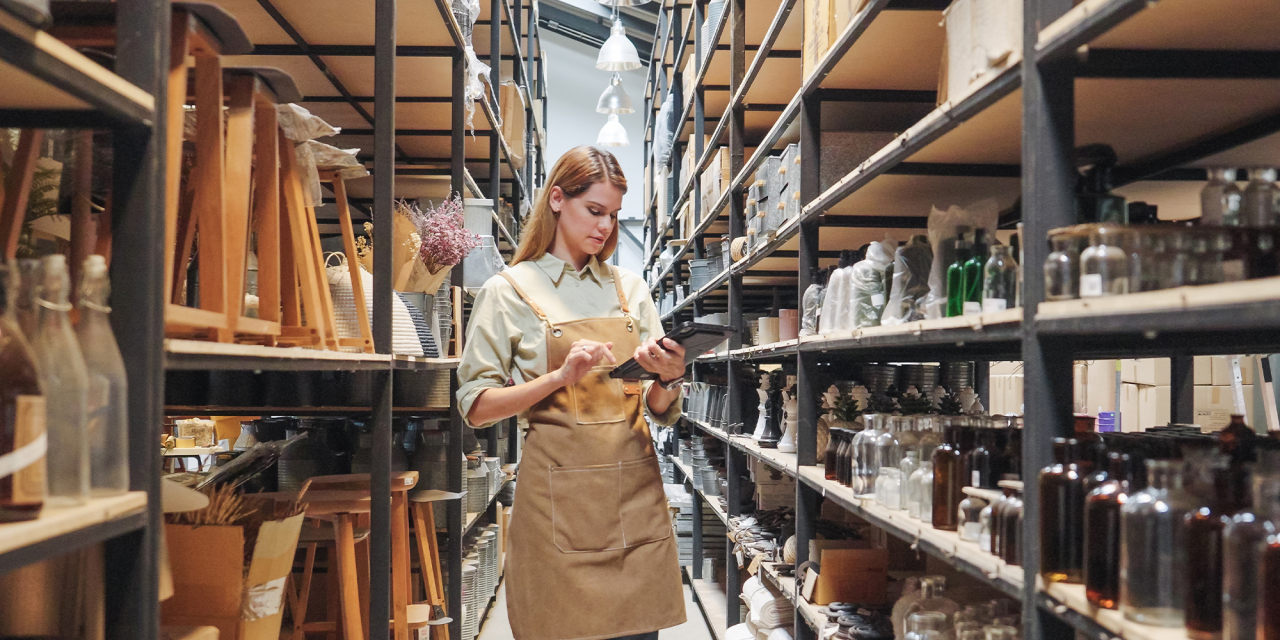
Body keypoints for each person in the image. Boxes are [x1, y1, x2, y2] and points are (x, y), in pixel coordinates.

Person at [457, 145, 688, 640]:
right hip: (557, 510)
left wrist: (668, 378)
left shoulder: (630, 290)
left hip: (635, 502)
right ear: (557, 199)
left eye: (613, 215)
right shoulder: (509, 290)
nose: (605, 227)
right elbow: (475, 407)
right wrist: (558, 379)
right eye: (595, 211)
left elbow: (652, 405)